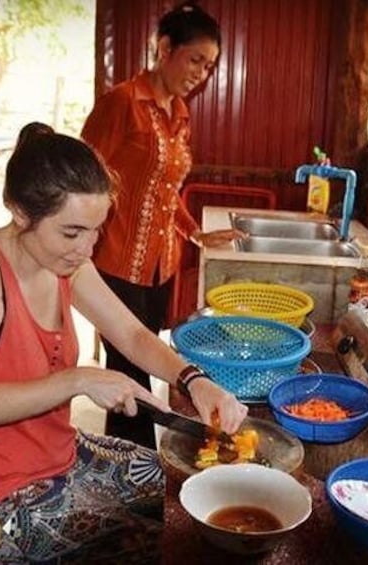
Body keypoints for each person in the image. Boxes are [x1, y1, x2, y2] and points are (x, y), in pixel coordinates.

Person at [0, 122, 247, 564]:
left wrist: (195, 380)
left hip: (62, 454)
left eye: (96, 232)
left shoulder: (67, 262)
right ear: (21, 213)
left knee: (181, 481)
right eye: (72, 231)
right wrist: (79, 379)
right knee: (148, 538)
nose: (86, 248)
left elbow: (134, 334)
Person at [81, 1, 245, 448]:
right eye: (196, 60)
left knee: (146, 365)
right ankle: (138, 478)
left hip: (160, 267)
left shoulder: (179, 113)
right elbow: (81, 177)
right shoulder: (122, 104)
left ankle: (136, 474)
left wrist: (193, 232)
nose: (202, 73)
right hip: (114, 263)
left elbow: (165, 191)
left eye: (210, 67)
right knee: (128, 377)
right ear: (165, 48)